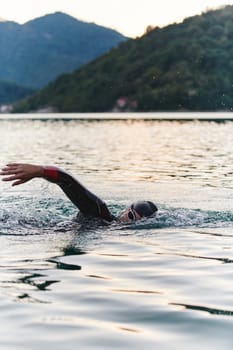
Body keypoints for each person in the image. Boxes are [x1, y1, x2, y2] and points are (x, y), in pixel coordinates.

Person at [0, 163, 158, 224]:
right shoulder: (100, 212)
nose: (128, 224)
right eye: (130, 217)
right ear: (124, 211)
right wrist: (40, 171)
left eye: (135, 223)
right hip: (24, 227)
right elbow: (67, 181)